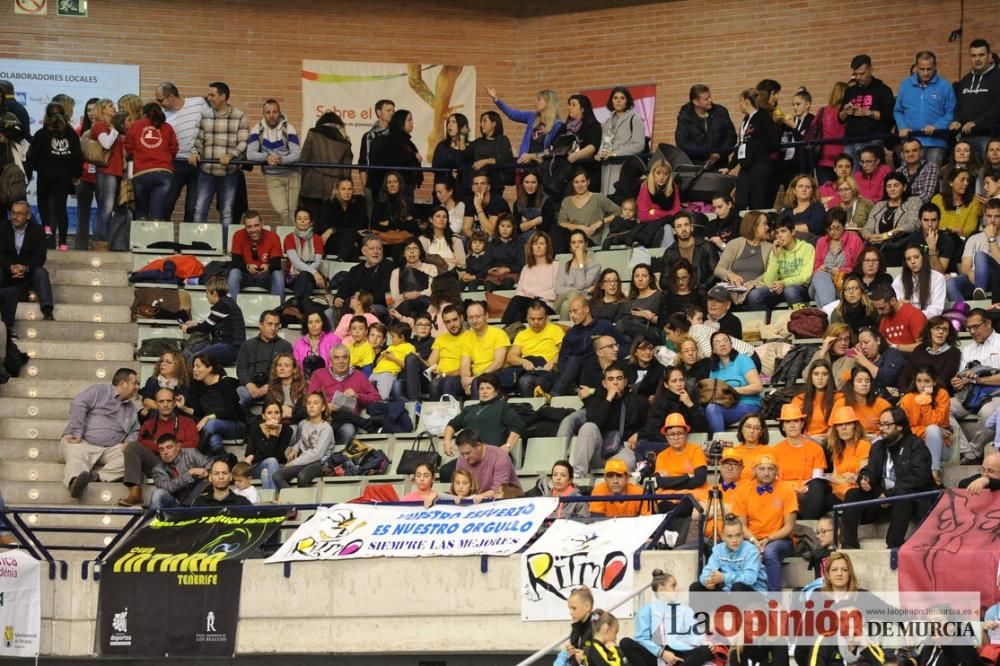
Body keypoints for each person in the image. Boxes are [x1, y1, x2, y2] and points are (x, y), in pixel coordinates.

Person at [841, 407, 934, 549]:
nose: (882, 428)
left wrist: (890, 495)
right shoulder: (878, 446)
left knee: (903, 494)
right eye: (880, 424)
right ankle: (849, 545)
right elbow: (871, 470)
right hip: (882, 497)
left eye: (886, 425)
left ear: (899, 426)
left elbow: (918, 478)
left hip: (908, 500)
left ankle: (894, 544)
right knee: (852, 494)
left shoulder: (916, 445)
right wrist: (865, 479)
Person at [60, 368, 139, 499]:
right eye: (135, 383)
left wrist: (129, 441)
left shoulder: (131, 408)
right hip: (82, 441)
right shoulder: (99, 391)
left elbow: (135, 429)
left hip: (110, 449)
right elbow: (78, 403)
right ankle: (74, 483)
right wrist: (78, 432)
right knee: (76, 453)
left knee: (132, 457)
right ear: (123, 383)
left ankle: (96, 477)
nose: (137, 387)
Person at [189, 82, 250, 247]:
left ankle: (225, 247)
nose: (209, 98)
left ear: (223, 96)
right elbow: (198, 138)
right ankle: (198, 245)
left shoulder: (239, 116)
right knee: (200, 209)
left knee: (227, 212)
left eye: (212, 95)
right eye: (208, 95)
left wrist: (232, 154)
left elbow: (244, 142)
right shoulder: (205, 114)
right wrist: (195, 152)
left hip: (229, 173)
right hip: (206, 171)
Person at [620, 570, 715, 666]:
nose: (677, 589)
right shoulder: (646, 611)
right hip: (656, 655)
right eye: (673, 586)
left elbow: (695, 632)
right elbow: (642, 639)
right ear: (661, 590)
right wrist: (661, 653)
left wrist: (703, 641)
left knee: (706, 650)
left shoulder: (685, 610)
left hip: (680, 654)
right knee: (625, 643)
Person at [732, 454, 798, 591]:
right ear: (753, 470)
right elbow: (741, 526)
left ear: (776, 471)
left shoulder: (787, 490)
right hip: (751, 539)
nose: (766, 473)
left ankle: (775, 599)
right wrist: (754, 540)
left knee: (769, 552)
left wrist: (768, 539)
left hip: (780, 540)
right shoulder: (742, 491)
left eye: (770, 469)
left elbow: (789, 527)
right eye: (762, 468)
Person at [570, 363, 647, 477]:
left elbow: (651, 425)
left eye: (619, 378)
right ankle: (577, 475)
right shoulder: (595, 400)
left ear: (625, 382)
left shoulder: (639, 401)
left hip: (622, 449)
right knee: (588, 427)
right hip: (598, 450)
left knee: (630, 462)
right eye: (610, 379)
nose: (615, 382)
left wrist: (639, 434)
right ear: (604, 383)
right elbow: (594, 423)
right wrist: (608, 400)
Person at [26, 102, 82, 250]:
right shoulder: (72, 135)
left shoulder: (41, 133)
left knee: (43, 203)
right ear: (64, 116)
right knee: (60, 208)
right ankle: (63, 244)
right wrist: (76, 174)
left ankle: (47, 227)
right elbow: (78, 157)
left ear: (46, 116)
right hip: (64, 176)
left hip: (45, 174)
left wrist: (40, 168)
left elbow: (31, 156)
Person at [950, 309, 1000, 464]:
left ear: (988, 323)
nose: (971, 331)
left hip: (996, 395)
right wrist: (956, 381)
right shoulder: (968, 349)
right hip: (970, 395)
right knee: (941, 406)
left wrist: (980, 380)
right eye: (968, 328)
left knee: (989, 414)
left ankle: (975, 452)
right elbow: (961, 376)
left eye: (975, 327)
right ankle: (967, 450)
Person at [551, 296, 627, 397]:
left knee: (576, 360)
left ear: (586, 309)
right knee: (573, 360)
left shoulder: (604, 326)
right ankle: (566, 388)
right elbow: (563, 359)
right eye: (570, 312)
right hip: (575, 372)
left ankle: (555, 394)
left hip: (599, 368)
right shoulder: (570, 334)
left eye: (575, 311)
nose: (572, 315)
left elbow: (625, 345)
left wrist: (612, 355)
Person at [307, 344, 379, 446]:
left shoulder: (359, 376)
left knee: (348, 430)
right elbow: (310, 400)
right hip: (324, 418)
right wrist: (326, 406)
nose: (341, 361)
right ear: (330, 361)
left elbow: (376, 398)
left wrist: (357, 396)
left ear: (349, 360)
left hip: (347, 422)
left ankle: (340, 458)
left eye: (344, 357)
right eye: (336, 358)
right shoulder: (318, 374)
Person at [157, 82, 208, 222]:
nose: (160, 104)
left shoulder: (199, 103)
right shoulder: (162, 115)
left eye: (160, 100)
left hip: (198, 163)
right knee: (166, 204)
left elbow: (210, 124)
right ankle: (161, 240)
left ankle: (189, 242)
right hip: (176, 163)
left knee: (193, 208)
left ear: (171, 97)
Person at [894, 50, 955, 166]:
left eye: (929, 69)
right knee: (907, 180)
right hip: (910, 143)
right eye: (922, 69)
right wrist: (902, 127)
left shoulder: (945, 86)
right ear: (916, 67)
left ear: (935, 66)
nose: (926, 73)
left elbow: (951, 112)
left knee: (932, 181)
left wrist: (937, 126)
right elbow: (898, 111)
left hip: (936, 142)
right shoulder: (905, 85)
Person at [246, 99, 301, 225]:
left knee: (292, 211)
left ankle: (289, 240)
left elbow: (297, 154)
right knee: (282, 210)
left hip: (293, 175)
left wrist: (281, 160)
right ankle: (289, 240)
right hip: (272, 176)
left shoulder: (289, 128)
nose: (271, 115)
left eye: (275, 112)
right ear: (263, 114)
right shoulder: (257, 129)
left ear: (280, 112)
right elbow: (250, 154)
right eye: (268, 112)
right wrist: (266, 157)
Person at [723, 87, 778, 211]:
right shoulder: (745, 120)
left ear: (747, 101)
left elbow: (774, 141)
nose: (739, 105)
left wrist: (758, 149)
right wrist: (729, 166)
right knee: (740, 202)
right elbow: (741, 144)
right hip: (745, 166)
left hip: (760, 165)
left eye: (740, 101)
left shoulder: (763, 117)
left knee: (757, 203)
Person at [771, 401, 828, 519]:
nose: (792, 425)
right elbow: (773, 479)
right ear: (782, 426)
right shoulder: (775, 450)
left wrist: (805, 489)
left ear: (802, 424)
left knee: (818, 485)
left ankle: (809, 523)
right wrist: (790, 489)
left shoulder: (816, 448)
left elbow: (817, 477)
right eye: (788, 422)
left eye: (796, 421)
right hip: (783, 493)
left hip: (807, 493)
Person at [745, 216, 814, 310]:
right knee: (754, 295)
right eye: (777, 232)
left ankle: (801, 322)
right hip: (779, 288)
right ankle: (768, 322)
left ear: (793, 232)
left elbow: (806, 277)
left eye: (783, 231)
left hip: (800, 288)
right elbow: (769, 281)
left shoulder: (807, 248)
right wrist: (775, 256)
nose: (780, 236)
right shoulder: (776, 250)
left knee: (790, 291)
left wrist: (784, 282)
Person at [1, 200, 55, 320]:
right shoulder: (3, 228)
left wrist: (25, 267)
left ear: (28, 216)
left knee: (41, 272)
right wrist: (10, 267)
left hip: (28, 272)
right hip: (7, 270)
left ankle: (47, 310)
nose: (15, 217)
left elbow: (40, 256)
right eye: (13, 213)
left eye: (19, 214)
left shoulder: (38, 230)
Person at [124, 102, 178, 221]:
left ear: (144, 114)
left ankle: (139, 239)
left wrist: (139, 153)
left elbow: (128, 146)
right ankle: (156, 237)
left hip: (141, 173)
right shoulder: (167, 127)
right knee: (156, 215)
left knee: (141, 214)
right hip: (164, 172)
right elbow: (174, 149)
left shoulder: (136, 125)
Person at [839, 54, 896, 163]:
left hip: (873, 140)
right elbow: (840, 119)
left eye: (862, 73)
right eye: (855, 74)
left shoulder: (883, 90)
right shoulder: (850, 91)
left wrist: (868, 112)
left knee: (873, 176)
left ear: (871, 70)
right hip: (851, 140)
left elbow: (890, 116)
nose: (858, 77)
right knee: (850, 178)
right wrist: (845, 112)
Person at [900, 364, 951, 486]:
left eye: (927, 381)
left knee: (933, 430)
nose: (922, 385)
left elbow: (935, 422)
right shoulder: (907, 399)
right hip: (914, 447)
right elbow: (904, 429)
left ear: (934, 382)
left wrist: (925, 402)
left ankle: (934, 471)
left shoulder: (942, 394)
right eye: (919, 381)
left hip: (940, 447)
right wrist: (926, 430)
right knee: (933, 430)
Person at [485, 85, 562, 165]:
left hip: (543, 163)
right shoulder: (532, 117)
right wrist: (496, 99)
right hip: (526, 162)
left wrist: (533, 156)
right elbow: (512, 114)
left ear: (548, 103)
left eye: (539, 100)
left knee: (530, 177)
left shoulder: (557, 125)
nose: (535, 102)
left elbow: (553, 150)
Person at [272, 392, 333, 490]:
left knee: (302, 476)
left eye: (316, 403)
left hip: (319, 463)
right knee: (277, 475)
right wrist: (296, 448)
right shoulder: (304, 424)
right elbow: (303, 440)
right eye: (309, 403)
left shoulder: (326, 428)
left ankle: (304, 504)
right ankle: (293, 501)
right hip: (304, 461)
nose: (311, 406)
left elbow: (317, 454)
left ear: (323, 407)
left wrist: (293, 463)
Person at [704, 331, 762, 435]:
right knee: (704, 411)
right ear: (714, 350)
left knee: (712, 409)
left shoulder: (743, 359)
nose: (722, 344)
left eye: (725, 341)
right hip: (726, 406)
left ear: (731, 344)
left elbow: (758, 387)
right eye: (717, 343)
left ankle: (719, 444)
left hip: (748, 404)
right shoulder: (714, 369)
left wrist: (732, 390)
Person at [691, 515, 768, 593]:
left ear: (743, 535)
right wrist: (708, 581)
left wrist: (724, 577)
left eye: (738, 535)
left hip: (755, 593)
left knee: (738, 586)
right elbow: (706, 572)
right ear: (723, 537)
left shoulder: (751, 550)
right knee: (696, 587)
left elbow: (749, 579)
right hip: (729, 592)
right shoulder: (718, 549)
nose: (734, 540)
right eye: (730, 536)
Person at [300, 112, 353, 223]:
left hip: (311, 184)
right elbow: (347, 170)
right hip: (334, 187)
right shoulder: (345, 141)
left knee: (310, 221)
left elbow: (304, 159)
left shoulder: (312, 133)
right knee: (329, 222)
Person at [951, 39, 1000, 158]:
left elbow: (998, 107)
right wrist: (956, 120)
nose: (977, 59)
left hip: (990, 138)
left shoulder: (998, 77)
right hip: (965, 138)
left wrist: (977, 123)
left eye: (981, 55)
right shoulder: (965, 80)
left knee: (988, 174)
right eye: (973, 55)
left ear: (989, 56)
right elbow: (958, 105)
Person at [651, 412, 707, 514]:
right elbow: (661, 482)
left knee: (686, 505)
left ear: (686, 434)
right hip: (668, 496)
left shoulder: (696, 450)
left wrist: (671, 482)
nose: (676, 438)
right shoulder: (662, 456)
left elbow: (700, 480)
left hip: (694, 494)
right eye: (672, 434)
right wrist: (687, 477)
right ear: (666, 437)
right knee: (661, 507)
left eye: (680, 433)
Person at [506, 299, 564, 397]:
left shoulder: (556, 330)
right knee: (524, 380)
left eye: (540, 318)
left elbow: (565, 351)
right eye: (532, 319)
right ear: (526, 318)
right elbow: (511, 357)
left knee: (528, 381)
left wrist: (553, 362)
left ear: (546, 317)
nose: (536, 322)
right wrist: (523, 362)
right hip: (529, 370)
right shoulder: (522, 335)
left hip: (549, 370)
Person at [946, 197, 1000, 303]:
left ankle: (980, 293)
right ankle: (964, 313)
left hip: (996, 278)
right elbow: (965, 265)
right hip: (975, 278)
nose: (992, 220)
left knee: (980, 255)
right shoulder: (974, 238)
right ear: (984, 216)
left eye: (997, 216)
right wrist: (970, 273)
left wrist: (991, 238)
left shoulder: (993, 237)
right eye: (989, 216)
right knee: (950, 284)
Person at [596, 86, 647, 197]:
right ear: (611, 101)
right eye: (615, 98)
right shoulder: (607, 122)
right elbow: (605, 143)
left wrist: (615, 154)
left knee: (622, 200)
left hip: (624, 166)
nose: (618, 100)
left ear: (627, 101)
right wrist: (600, 153)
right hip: (607, 167)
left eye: (622, 98)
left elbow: (639, 145)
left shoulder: (635, 119)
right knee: (607, 200)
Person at [188, 353, 244, 454]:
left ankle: (194, 454)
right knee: (214, 439)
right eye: (193, 366)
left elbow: (230, 412)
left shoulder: (227, 383)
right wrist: (183, 407)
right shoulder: (196, 385)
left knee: (211, 424)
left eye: (198, 366)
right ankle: (226, 461)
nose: (194, 370)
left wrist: (209, 417)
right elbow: (199, 412)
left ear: (209, 368)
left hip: (235, 425)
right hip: (211, 428)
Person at [861, 172, 921, 265]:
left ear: (904, 187)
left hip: (901, 246)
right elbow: (867, 228)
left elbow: (912, 225)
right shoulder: (879, 205)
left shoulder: (913, 201)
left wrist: (886, 235)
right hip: (878, 246)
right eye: (889, 186)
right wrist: (870, 236)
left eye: (896, 185)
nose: (892, 189)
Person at [236, 309, 293, 408]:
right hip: (249, 386)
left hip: (274, 388)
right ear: (261, 325)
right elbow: (241, 369)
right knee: (240, 394)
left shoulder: (285, 346)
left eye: (276, 325)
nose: (273, 328)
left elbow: (288, 372)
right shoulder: (247, 345)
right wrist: (249, 384)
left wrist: (270, 386)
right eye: (269, 324)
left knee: (278, 395)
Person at [713, 211, 772, 303]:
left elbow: (770, 273)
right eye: (764, 224)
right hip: (734, 288)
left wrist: (753, 283)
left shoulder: (770, 247)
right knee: (714, 295)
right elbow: (718, 269)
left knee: (754, 295)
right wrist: (730, 275)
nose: (767, 227)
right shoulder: (734, 244)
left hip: (756, 288)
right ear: (753, 226)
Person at [501, 231, 559, 325]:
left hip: (546, 305)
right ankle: (515, 334)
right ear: (531, 247)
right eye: (535, 244)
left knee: (518, 301)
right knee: (518, 314)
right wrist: (531, 297)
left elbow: (555, 292)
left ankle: (502, 328)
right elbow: (519, 292)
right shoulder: (526, 268)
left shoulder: (555, 266)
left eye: (542, 243)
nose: (538, 246)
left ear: (547, 247)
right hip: (526, 305)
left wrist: (534, 295)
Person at [810, 208, 864, 308]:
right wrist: (819, 268)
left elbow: (859, 269)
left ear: (844, 226)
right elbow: (815, 269)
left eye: (836, 228)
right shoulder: (821, 242)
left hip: (843, 285)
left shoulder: (855, 241)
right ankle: (832, 312)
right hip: (818, 283)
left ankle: (828, 314)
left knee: (820, 296)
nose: (832, 232)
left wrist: (840, 271)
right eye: (829, 228)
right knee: (821, 275)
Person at [675, 84, 737, 169]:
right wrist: (707, 154)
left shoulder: (721, 112)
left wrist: (720, 154)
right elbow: (683, 144)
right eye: (706, 99)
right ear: (696, 102)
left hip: (720, 166)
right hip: (696, 168)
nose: (710, 100)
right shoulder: (685, 117)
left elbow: (731, 136)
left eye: (710, 97)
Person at [144, 434, 213, 510]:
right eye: (161, 449)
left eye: (169, 447)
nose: (165, 452)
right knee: (158, 494)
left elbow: (210, 465)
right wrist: (189, 473)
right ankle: (152, 520)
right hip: (175, 505)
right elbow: (168, 487)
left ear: (178, 447)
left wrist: (207, 472)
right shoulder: (157, 470)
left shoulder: (191, 453)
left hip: (198, 499)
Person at [227, 210, 284, 299]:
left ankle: (277, 310)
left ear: (262, 224)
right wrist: (247, 267)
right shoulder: (238, 235)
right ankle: (232, 309)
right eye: (249, 227)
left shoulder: (273, 236)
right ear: (245, 227)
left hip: (266, 277)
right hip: (246, 276)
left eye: (256, 225)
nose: (253, 230)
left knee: (278, 274)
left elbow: (277, 264)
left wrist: (268, 267)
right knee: (234, 273)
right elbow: (235, 263)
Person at [898, 316, 962, 394]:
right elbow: (905, 375)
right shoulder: (919, 349)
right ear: (930, 331)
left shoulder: (954, 352)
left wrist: (921, 395)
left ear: (948, 333)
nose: (941, 331)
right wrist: (904, 393)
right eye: (937, 328)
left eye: (945, 329)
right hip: (914, 394)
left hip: (939, 396)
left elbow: (944, 381)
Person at [556, 170, 620, 248]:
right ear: (573, 184)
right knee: (556, 233)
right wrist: (581, 228)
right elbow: (561, 223)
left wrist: (601, 222)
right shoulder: (567, 201)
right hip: (571, 239)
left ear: (588, 182)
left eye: (583, 181)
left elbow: (620, 211)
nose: (580, 185)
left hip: (590, 240)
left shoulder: (598, 198)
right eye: (576, 182)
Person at [334, 234, 393, 317]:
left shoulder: (389, 267)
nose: (376, 251)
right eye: (372, 248)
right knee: (329, 312)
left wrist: (361, 302)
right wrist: (337, 299)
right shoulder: (355, 270)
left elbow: (385, 294)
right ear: (363, 251)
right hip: (354, 304)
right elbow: (344, 289)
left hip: (377, 305)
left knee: (361, 309)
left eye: (379, 249)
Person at [825, 406, 873, 507]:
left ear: (855, 426)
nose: (844, 428)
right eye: (840, 425)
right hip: (838, 492)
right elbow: (835, 477)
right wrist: (844, 478)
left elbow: (863, 476)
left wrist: (847, 478)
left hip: (856, 492)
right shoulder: (837, 449)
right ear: (836, 429)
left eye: (848, 424)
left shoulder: (863, 445)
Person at [371, 108, 423, 201]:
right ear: (401, 122)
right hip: (394, 191)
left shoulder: (406, 141)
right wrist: (413, 157)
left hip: (406, 189)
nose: (412, 123)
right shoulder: (391, 140)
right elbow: (393, 159)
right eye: (409, 120)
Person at [459, 302, 509, 396]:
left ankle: (477, 411)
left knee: (477, 383)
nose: (474, 320)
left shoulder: (498, 334)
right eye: (471, 317)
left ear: (486, 316)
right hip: (475, 376)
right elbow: (465, 365)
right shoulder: (466, 337)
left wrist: (475, 378)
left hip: (494, 374)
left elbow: (498, 363)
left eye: (478, 316)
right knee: (443, 383)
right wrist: (465, 381)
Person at [661, 212, 718, 294]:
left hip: (703, 292)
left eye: (686, 225)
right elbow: (663, 281)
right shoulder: (669, 252)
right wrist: (679, 288)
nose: (683, 229)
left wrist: (702, 287)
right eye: (679, 226)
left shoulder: (706, 246)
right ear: (674, 231)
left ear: (691, 227)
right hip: (679, 293)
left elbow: (716, 273)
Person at [454, 428, 521, 496]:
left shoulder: (500, 457)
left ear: (479, 446)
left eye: (468, 453)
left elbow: (498, 491)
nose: (465, 457)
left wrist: (478, 498)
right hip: (476, 501)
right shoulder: (461, 460)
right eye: (462, 454)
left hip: (506, 500)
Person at [553, 229, 601, 319]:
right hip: (560, 302)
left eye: (580, 242)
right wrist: (584, 291)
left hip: (584, 303)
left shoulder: (595, 266)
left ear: (586, 244)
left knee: (566, 306)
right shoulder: (564, 265)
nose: (577, 245)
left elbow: (580, 285)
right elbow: (558, 289)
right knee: (572, 294)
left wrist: (580, 263)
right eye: (573, 242)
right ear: (570, 246)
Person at [242, 400, 289, 489]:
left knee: (266, 472)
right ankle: (275, 497)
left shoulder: (287, 430)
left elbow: (277, 456)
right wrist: (254, 457)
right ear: (263, 415)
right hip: (257, 467)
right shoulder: (255, 428)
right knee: (270, 461)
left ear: (281, 416)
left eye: (277, 413)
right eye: (269, 413)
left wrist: (273, 434)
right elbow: (249, 454)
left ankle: (270, 500)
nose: (273, 416)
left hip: (278, 465)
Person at [319, 177, 368, 261]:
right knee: (353, 244)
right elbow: (324, 226)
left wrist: (333, 230)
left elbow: (360, 226)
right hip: (335, 241)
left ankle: (341, 261)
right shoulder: (329, 204)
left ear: (353, 191)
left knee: (352, 237)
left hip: (353, 238)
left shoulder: (359, 202)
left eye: (349, 189)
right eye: (343, 189)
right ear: (337, 190)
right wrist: (348, 230)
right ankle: (344, 264)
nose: (347, 192)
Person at [834, 366, 892, 436]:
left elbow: (890, 429)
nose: (864, 384)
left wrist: (877, 435)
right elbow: (833, 430)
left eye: (867, 381)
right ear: (852, 384)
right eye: (859, 381)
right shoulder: (840, 404)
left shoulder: (882, 404)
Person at [358, 99, 393, 211]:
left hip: (390, 183)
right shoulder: (368, 136)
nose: (392, 113)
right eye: (388, 110)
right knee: (372, 215)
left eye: (393, 110)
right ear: (378, 112)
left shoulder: (396, 135)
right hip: (372, 183)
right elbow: (362, 162)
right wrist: (365, 185)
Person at [893, 244, 946, 318]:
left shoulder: (938, 278)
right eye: (908, 259)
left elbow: (937, 308)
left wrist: (916, 316)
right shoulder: (899, 280)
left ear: (923, 258)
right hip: (906, 320)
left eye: (916, 257)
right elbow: (895, 305)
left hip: (929, 321)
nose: (913, 261)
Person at [636, 160, 681, 247]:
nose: (661, 177)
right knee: (667, 229)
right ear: (653, 173)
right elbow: (643, 217)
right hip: (649, 226)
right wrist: (668, 214)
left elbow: (677, 210)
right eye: (658, 173)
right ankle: (672, 256)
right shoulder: (645, 187)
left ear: (669, 176)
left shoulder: (673, 187)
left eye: (665, 174)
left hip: (668, 223)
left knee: (668, 228)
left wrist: (655, 212)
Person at [871, 283, 926, 353]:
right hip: (892, 358)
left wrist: (895, 346)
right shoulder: (884, 318)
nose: (879, 312)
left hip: (912, 358)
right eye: (877, 309)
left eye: (882, 308)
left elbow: (922, 346)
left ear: (893, 300)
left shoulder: (914, 315)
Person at [904, 201, 956, 275]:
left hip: (944, 281)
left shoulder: (946, 240)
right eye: (926, 220)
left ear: (939, 221)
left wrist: (932, 248)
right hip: (921, 278)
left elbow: (938, 274)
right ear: (919, 221)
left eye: (934, 220)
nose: (930, 224)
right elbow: (910, 267)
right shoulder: (914, 238)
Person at [470, 111, 514, 193]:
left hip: (495, 185)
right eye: (481, 121)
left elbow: (505, 158)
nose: (481, 124)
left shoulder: (502, 140)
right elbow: (466, 155)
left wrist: (485, 161)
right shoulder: (478, 142)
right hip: (477, 185)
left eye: (484, 121)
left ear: (494, 123)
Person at [791, 359, 838, 438]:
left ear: (829, 377)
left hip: (831, 442)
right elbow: (793, 427)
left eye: (825, 374)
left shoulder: (839, 398)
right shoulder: (799, 399)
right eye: (816, 374)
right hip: (806, 442)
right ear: (811, 376)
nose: (820, 378)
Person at [813, 82, 848, 185]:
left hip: (824, 158)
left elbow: (812, 129)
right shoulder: (847, 113)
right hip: (843, 158)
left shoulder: (823, 111)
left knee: (827, 194)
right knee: (845, 192)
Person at [932, 166, 981, 238]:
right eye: (962, 180)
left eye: (968, 180)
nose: (966, 183)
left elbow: (970, 230)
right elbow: (931, 224)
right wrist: (950, 231)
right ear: (951, 182)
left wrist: (947, 231)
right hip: (938, 238)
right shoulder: (937, 199)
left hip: (961, 242)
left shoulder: (974, 202)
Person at [139, 351, 192, 418]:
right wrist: (167, 408)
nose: (162, 364)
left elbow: (181, 406)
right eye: (162, 361)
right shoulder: (153, 381)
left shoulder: (184, 384)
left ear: (178, 366)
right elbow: (146, 401)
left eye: (168, 362)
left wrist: (156, 404)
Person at [370, 323, 416, 399]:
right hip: (375, 372)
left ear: (402, 337)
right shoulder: (390, 347)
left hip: (388, 374)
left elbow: (409, 366)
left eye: (393, 337)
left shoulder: (409, 347)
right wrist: (382, 356)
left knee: (383, 396)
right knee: (365, 390)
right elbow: (377, 362)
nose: (391, 339)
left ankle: (382, 407)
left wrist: (393, 358)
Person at [553, 586, 594, 666]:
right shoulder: (576, 628)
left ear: (587, 606)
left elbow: (602, 658)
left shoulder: (597, 627)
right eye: (569, 608)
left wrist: (585, 657)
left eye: (574, 608)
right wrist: (568, 652)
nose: (570, 613)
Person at [462, 170, 509, 239]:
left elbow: (491, 232)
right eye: (476, 184)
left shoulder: (498, 202)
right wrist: (478, 239)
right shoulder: (470, 201)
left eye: (483, 183)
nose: (479, 186)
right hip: (478, 239)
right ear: (472, 188)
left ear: (488, 187)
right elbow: (466, 229)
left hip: (498, 238)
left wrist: (478, 206)